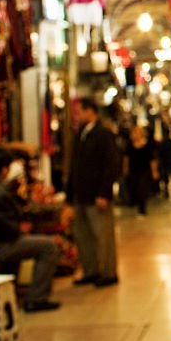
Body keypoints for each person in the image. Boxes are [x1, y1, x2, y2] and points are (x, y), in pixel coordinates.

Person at [0, 148, 61, 312]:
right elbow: (7, 228)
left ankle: (19, 293)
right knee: (49, 246)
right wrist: (20, 229)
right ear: (4, 169)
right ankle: (37, 298)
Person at [68, 97, 121, 287]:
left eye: (79, 111)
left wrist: (104, 193)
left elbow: (111, 165)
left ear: (90, 111)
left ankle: (108, 272)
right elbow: (75, 165)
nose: (77, 115)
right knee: (83, 235)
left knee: (102, 235)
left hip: (97, 195)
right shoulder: (81, 133)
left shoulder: (103, 134)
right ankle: (90, 270)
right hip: (81, 194)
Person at [124, 125, 158, 216]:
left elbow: (152, 159)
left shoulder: (147, 144)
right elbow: (126, 158)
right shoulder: (130, 144)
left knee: (142, 189)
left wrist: (154, 171)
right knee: (134, 187)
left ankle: (142, 209)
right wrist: (125, 168)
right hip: (133, 170)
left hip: (144, 170)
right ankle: (137, 204)